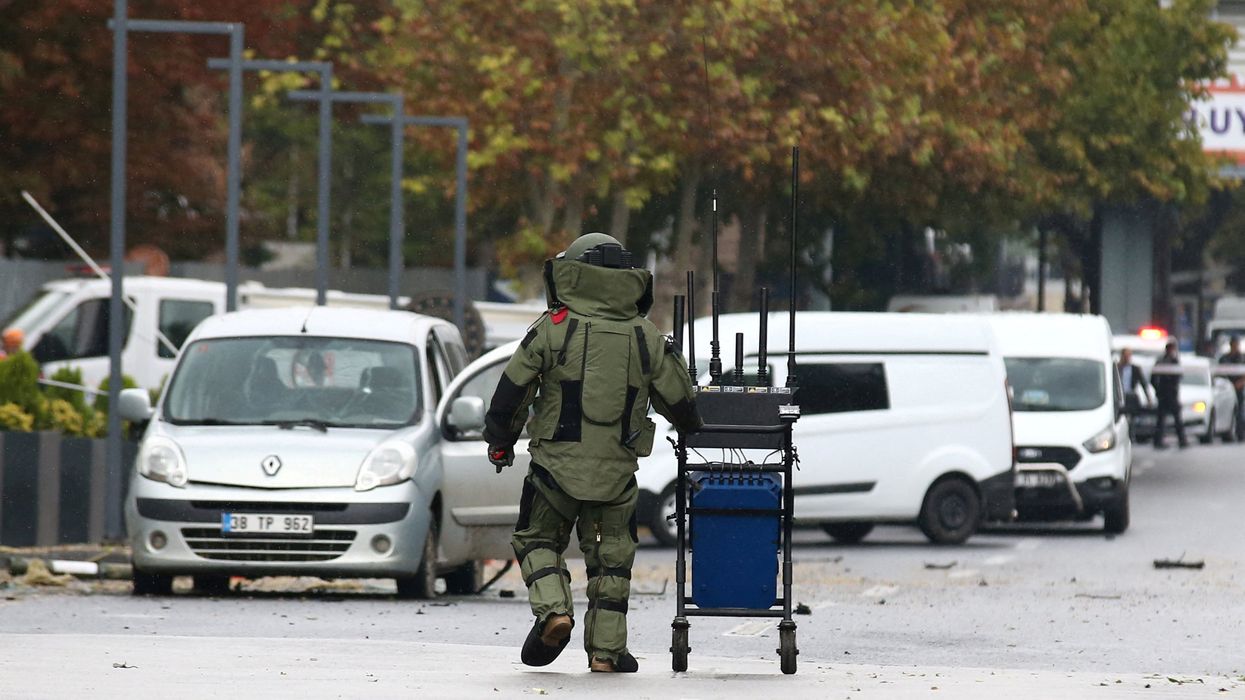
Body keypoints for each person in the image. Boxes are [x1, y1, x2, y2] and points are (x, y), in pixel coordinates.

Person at [485, 232, 702, 673]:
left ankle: (555, 612)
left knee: (538, 541)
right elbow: (681, 403)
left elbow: (512, 392)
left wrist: (500, 441)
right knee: (611, 562)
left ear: (572, 274)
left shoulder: (554, 327)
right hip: (616, 477)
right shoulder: (646, 336)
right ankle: (605, 653)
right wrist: (691, 426)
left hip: (553, 471)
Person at [1151, 340, 1187, 449]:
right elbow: (1154, 378)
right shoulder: (1171, 361)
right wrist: (1159, 390)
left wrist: (1158, 390)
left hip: (1166, 394)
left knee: (1166, 419)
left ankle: (1178, 440)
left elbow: (1179, 376)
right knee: (1167, 419)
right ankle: (1180, 440)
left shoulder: (1168, 361)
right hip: (1167, 394)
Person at [1217, 335, 1245, 441]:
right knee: (1228, 410)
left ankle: (1240, 434)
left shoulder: (1242, 358)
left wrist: (1240, 383)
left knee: (1239, 412)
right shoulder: (1224, 358)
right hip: (1225, 389)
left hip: (1239, 389)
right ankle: (1226, 434)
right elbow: (1219, 373)